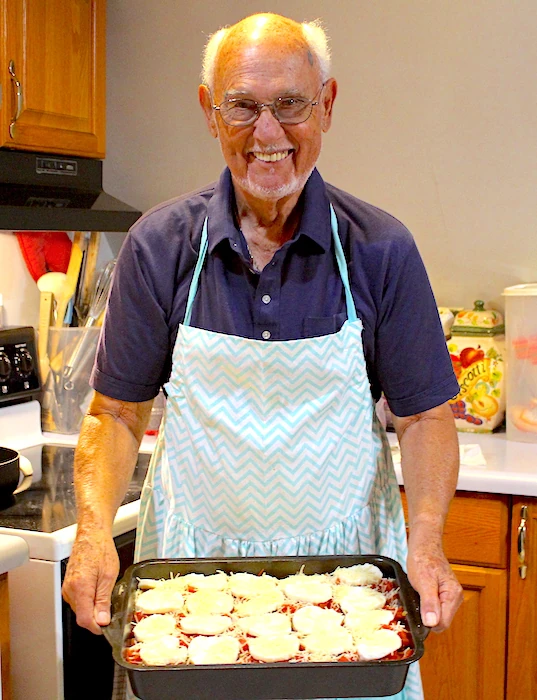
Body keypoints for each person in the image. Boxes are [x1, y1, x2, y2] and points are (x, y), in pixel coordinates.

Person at [62, 12, 463, 700]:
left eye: (290, 105)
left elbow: (425, 416)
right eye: (243, 106)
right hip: (187, 589)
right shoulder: (159, 246)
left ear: (327, 105)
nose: (267, 133)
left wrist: (424, 539)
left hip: (348, 595)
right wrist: (94, 532)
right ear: (209, 113)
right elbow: (116, 414)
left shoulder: (378, 249)